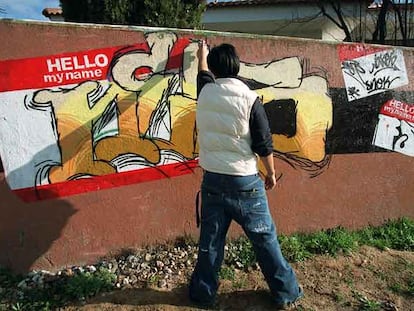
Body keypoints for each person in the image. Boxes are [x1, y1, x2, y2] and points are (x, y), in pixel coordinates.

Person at [189, 41, 303, 309]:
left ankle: (202, 294)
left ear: (215, 68)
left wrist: (201, 56)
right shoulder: (250, 99)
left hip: (213, 180)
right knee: (264, 240)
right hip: (246, 183)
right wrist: (271, 174)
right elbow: (263, 143)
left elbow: (203, 73)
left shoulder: (205, 92)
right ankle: (286, 292)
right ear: (237, 66)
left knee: (211, 242)